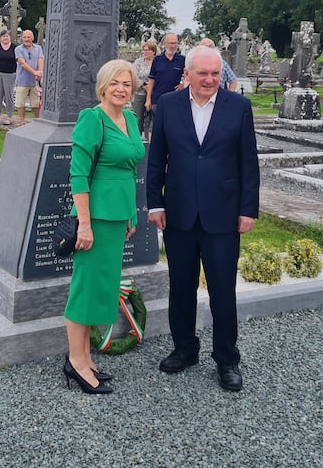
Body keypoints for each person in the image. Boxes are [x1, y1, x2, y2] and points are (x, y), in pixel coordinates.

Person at [147, 44, 260, 392]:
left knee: (222, 290)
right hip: (179, 212)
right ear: (188, 74)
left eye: (215, 73)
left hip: (223, 214)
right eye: (203, 73)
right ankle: (184, 348)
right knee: (181, 286)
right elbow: (156, 159)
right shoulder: (168, 105)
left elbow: (248, 163)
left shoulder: (238, 107)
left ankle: (227, 358)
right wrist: (155, 204)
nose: (210, 79)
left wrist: (247, 209)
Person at [62, 59, 145, 395]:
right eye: (115, 83)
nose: (121, 89)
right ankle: (76, 361)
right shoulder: (91, 120)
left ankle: (83, 358)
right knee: (85, 287)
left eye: (127, 84)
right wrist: (84, 224)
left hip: (117, 216)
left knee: (101, 287)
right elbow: (79, 175)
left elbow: (128, 169)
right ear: (103, 86)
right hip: (94, 218)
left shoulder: (130, 119)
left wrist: (131, 215)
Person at [144, 32, 185, 116]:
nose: (173, 46)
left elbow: (190, 76)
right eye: (171, 43)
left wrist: (183, 84)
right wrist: (148, 99)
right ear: (164, 44)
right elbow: (151, 81)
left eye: (175, 43)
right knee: (156, 125)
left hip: (175, 99)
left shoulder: (182, 60)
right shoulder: (157, 60)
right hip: (157, 99)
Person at [15, 29, 44, 124]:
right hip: (22, 80)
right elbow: (22, 63)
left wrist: (39, 72)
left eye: (28, 37)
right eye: (24, 37)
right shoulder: (18, 49)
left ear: (32, 38)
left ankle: (37, 121)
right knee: (20, 103)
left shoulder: (38, 48)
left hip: (34, 81)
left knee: (36, 103)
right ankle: (22, 121)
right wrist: (35, 72)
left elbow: (40, 60)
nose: (26, 39)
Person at [133, 39, 157, 139]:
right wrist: (144, 84)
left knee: (151, 118)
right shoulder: (138, 62)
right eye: (144, 50)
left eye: (148, 50)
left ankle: (148, 140)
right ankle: (136, 139)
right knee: (138, 117)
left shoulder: (157, 62)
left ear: (153, 52)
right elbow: (133, 76)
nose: (145, 52)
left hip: (154, 94)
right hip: (140, 93)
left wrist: (152, 86)